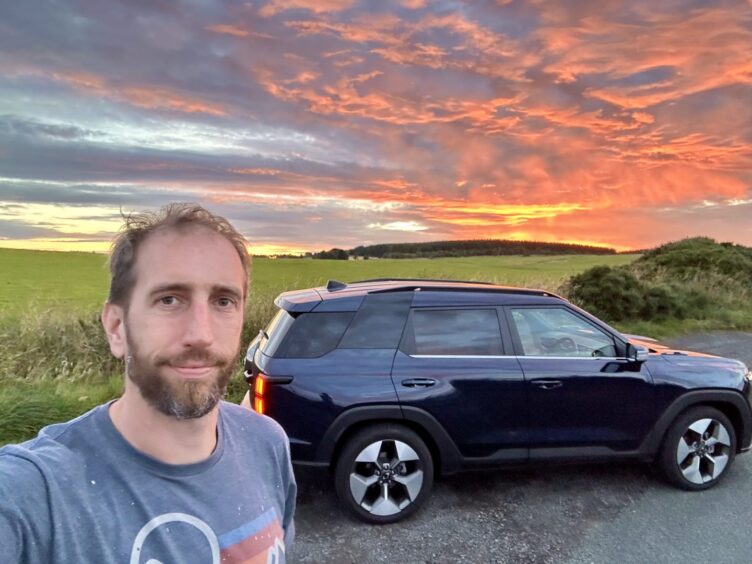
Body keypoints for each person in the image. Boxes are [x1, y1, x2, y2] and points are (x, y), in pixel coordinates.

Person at [0, 203, 296, 563]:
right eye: (169, 299)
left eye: (223, 301)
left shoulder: (267, 443)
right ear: (116, 327)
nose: (201, 335)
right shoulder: (34, 492)